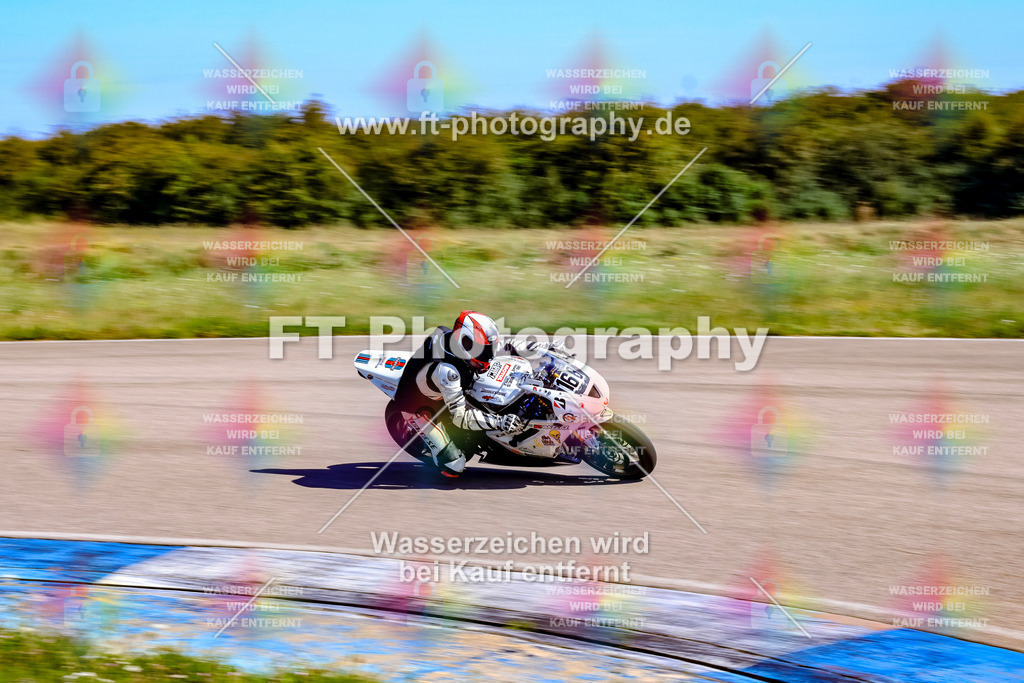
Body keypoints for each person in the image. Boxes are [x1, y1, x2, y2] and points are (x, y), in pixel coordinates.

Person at [391, 310, 570, 478]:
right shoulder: (448, 372)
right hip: (417, 405)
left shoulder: (462, 344)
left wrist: (544, 348)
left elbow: (508, 346)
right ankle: (440, 458)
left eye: (488, 348)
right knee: (454, 466)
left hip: (443, 387)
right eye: (483, 350)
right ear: (465, 344)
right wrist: (500, 422)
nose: (489, 355)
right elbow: (460, 417)